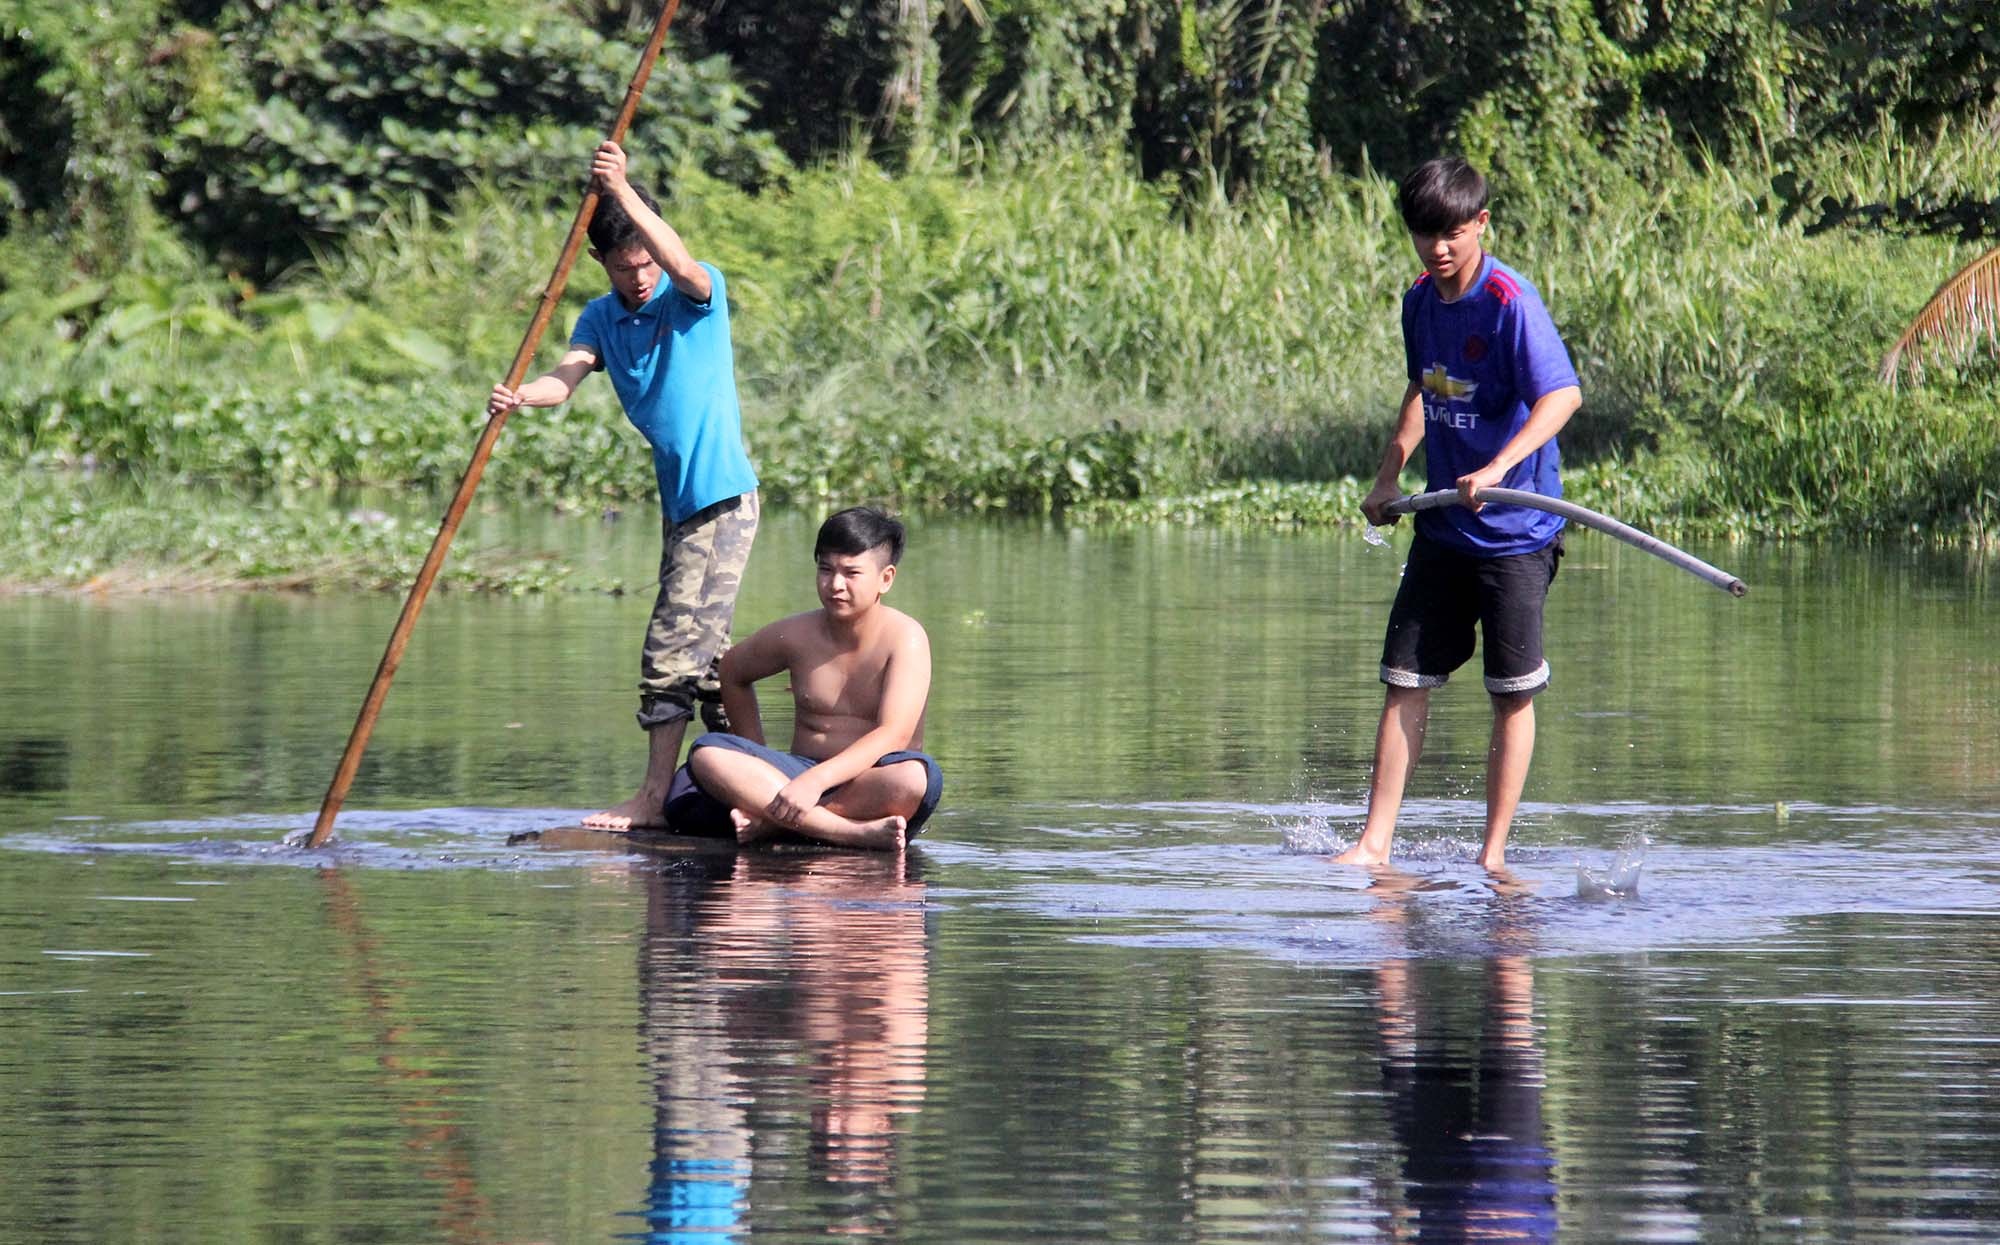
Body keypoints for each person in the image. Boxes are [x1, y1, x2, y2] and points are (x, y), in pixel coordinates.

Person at [488, 140, 759, 831]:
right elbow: (566, 376)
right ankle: (755, 790)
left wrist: (623, 189)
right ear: (601, 262)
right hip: (682, 505)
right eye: (623, 266)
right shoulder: (600, 317)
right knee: (711, 662)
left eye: (645, 264)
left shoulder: (696, 295)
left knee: (670, 650)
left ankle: (653, 801)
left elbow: (681, 263)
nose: (639, 278)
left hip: (721, 497)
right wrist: (521, 396)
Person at [1341, 156, 1583, 870]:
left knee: (1511, 694)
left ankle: (1493, 856)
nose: (1438, 248)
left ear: (1480, 224)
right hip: (1444, 527)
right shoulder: (1420, 301)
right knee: (1403, 679)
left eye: (1451, 233)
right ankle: (1373, 845)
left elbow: (1562, 396)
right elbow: (1425, 389)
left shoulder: (1509, 300)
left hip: (1515, 532)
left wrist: (1500, 466)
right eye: (1425, 234)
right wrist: (1389, 475)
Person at [662, 507, 943, 851]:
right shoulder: (798, 633)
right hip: (795, 774)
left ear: (886, 579)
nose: (835, 585)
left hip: (868, 779)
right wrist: (757, 755)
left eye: (851, 573)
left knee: (914, 778)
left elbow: (893, 734)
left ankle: (772, 820)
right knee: (707, 754)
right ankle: (840, 830)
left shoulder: (905, 638)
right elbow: (732, 671)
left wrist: (815, 782)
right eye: (826, 570)